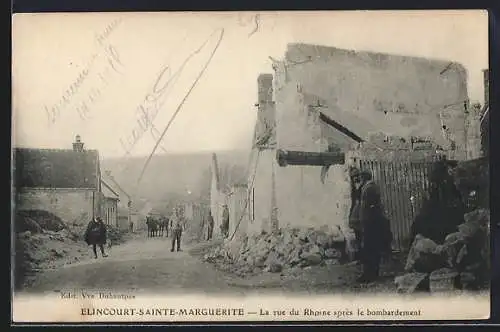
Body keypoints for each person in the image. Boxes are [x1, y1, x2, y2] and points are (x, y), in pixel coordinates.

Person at [357, 170, 392, 283]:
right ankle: (373, 273)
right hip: (372, 222)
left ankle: (369, 274)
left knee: (369, 249)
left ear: (363, 177)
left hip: (370, 223)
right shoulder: (372, 187)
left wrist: (365, 222)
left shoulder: (369, 188)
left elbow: (369, 207)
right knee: (373, 249)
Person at [348, 167, 363, 261]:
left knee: (363, 236)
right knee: (358, 235)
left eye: (357, 176)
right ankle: (361, 256)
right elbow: (353, 202)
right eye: (353, 176)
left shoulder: (362, 186)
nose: (355, 178)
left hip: (363, 213)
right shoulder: (353, 187)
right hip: (356, 213)